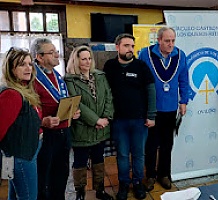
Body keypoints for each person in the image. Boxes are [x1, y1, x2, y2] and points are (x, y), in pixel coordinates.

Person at [104, 33, 156, 200]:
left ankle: (138, 183)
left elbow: (151, 91)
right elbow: (105, 93)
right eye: (126, 46)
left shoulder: (141, 66)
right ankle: (124, 184)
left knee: (139, 154)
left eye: (132, 46)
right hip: (118, 121)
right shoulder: (109, 66)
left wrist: (151, 115)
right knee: (123, 155)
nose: (130, 49)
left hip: (140, 120)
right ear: (117, 47)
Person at [138, 27, 189, 191]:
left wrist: (184, 101)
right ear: (158, 40)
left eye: (173, 40)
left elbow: (184, 79)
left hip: (170, 108)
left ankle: (164, 174)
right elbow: (140, 81)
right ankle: (150, 176)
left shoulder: (180, 55)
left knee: (168, 143)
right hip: (152, 109)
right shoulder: (145, 54)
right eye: (167, 41)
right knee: (151, 144)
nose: (171, 44)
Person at [31, 38, 80, 200]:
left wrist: (71, 111)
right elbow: (29, 112)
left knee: (61, 175)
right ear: (39, 57)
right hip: (46, 135)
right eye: (51, 53)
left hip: (63, 132)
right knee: (44, 178)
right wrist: (42, 121)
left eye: (56, 51)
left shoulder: (58, 76)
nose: (56, 55)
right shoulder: (32, 79)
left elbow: (60, 100)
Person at [65, 45, 114, 200]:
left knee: (99, 160)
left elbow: (108, 97)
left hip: (101, 128)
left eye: (89, 58)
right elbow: (77, 104)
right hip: (81, 129)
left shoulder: (100, 75)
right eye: (83, 59)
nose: (87, 61)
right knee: (80, 162)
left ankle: (100, 190)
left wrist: (106, 118)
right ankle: (80, 193)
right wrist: (96, 120)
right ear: (76, 60)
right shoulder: (70, 79)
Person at [0, 47, 42, 200]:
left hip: (24, 153)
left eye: (30, 64)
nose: (28, 68)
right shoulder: (11, 94)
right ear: (11, 68)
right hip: (20, 157)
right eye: (22, 64)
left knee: (15, 195)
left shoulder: (24, 89)